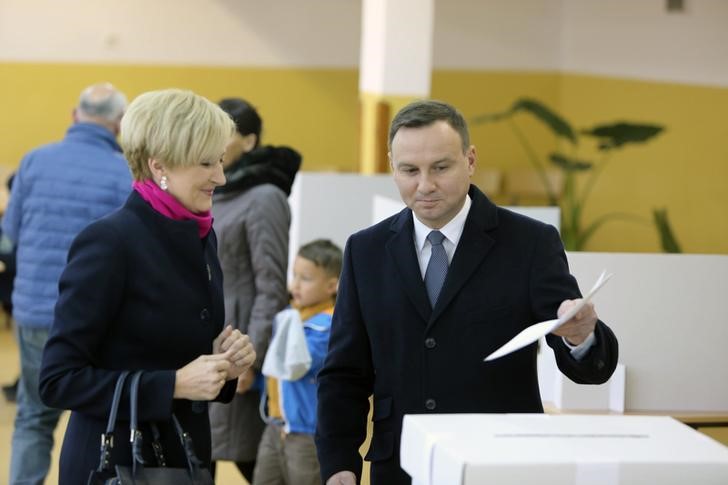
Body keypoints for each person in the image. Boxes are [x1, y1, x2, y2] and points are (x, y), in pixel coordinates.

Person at [315, 100, 619, 485]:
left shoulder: (529, 244)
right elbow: (344, 372)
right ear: (392, 165)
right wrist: (340, 461)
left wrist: (581, 336)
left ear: (470, 160)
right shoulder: (366, 250)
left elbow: (589, 368)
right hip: (401, 465)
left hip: (502, 463)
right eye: (409, 170)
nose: (424, 185)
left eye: (440, 167)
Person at [38, 88, 256, 484]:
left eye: (221, 160)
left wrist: (223, 365)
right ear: (159, 167)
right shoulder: (110, 242)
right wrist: (172, 384)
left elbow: (176, 354)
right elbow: (58, 380)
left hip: (183, 459)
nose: (221, 177)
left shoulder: (200, 234)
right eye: (206, 163)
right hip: (118, 464)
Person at [2, 82, 132, 485]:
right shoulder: (123, 171)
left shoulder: (34, 161)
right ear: (119, 124)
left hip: (35, 310)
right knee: (96, 415)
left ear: (75, 116)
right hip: (99, 316)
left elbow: (9, 236)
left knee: (34, 415)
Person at [209, 97, 301, 482]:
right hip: (210, 337)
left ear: (249, 142)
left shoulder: (265, 196)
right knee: (202, 452)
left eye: (221, 135)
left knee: (250, 458)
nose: (211, 144)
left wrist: (253, 355)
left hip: (240, 342)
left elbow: (271, 285)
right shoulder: (217, 187)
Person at [256, 239, 342, 485]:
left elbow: (297, 365)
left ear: (331, 285)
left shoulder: (328, 326)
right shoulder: (290, 317)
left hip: (306, 432)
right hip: (275, 425)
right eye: (294, 275)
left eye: (305, 278)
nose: (295, 285)